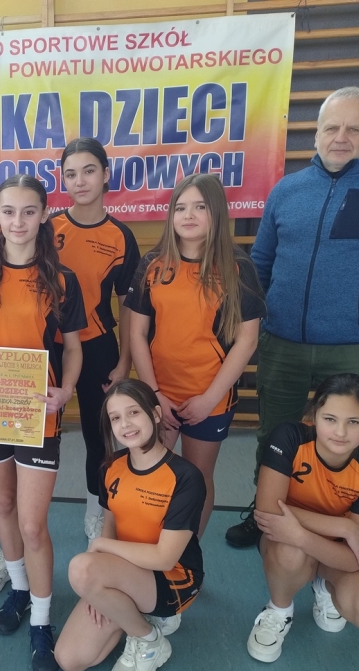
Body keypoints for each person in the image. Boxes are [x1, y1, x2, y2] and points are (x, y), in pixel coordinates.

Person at [226, 86, 359, 548]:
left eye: (354, 128)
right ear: (316, 133)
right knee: (274, 436)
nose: (341, 137)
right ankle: (265, 513)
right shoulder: (287, 190)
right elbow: (260, 265)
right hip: (282, 344)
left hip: (350, 349)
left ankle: (341, 521)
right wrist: (244, 329)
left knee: (346, 442)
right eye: (332, 127)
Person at [0, 173, 85, 671]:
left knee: (33, 524)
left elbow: (72, 348)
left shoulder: (62, 280)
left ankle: (42, 621)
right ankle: (20, 589)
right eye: (8, 211)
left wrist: (65, 391)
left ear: (44, 214)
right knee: (4, 506)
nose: (18, 221)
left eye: (29, 211)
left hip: (37, 411)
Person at [127, 173, 265, 538]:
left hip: (209, 398)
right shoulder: (153, 263)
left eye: (199, 207)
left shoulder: (238, 267)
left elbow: (247, 340)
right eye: (180, 207)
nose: (188, 215)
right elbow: (137, 333)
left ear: (216, 212)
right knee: (151, 473)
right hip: (159, 395)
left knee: (197, 477)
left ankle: (188, 551)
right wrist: (155, 394)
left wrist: (208, 399)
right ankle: (150, 546)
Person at [54, 379, 205, 671]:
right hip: (127, 571)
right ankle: (135, 613)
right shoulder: (112, 467)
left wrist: (98, 555)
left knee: (82, 567)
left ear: (156, 414)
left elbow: (164, 558)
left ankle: (148, 639)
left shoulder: (185, 477)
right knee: (69, 659)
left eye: (134, 412)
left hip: (173, 579)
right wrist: (99, 590)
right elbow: (111, 525)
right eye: (116, 417)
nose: (125, 424)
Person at [247, 373, 359, 663]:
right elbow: (267, 511)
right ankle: (279, 610)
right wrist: (344, 526)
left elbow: (354, 559)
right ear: (313, 416)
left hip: (329, 548)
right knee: (290, 553)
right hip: (284, 539)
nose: (340, 432)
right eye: (330, 419)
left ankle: (324, 585)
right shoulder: (289, 437)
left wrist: (301, 535)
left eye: (353, 422)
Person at [50, 138, 140, 542]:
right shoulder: (47, 228)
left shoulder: (121, 236)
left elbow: (128, 304)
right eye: (71, 174)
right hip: (46, 347)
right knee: (31, 436)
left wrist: (124, 361)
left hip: (97, 348)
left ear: (105, 175)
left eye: (89, 171)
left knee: (99, 436)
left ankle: (96, 512)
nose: (80, 181)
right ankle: (21, 523)